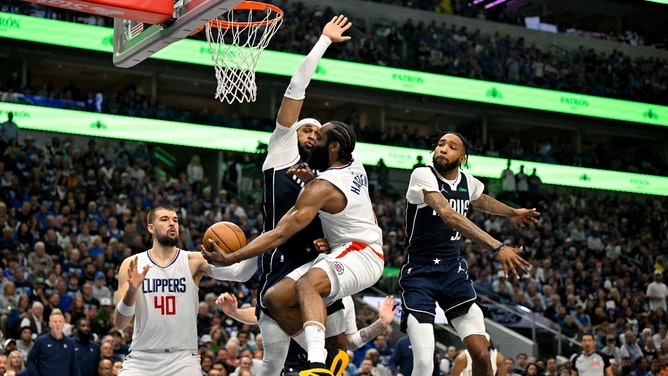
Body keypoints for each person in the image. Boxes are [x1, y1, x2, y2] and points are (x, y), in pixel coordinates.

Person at [202, 120, 384, 376]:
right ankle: (330, 358)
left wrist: (232, 257)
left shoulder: (322, 187)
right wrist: (313, 179)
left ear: (333, 147)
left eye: (318, 138)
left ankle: (318, 364)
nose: (312, 145)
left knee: (307, 285)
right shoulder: (353, 162)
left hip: (362, 253)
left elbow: (279, 234)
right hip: (345, 249)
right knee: (274, 299)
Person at [228, 14, 352, 376]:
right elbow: (296, 87)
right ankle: (319, 362)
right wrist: (324, 41)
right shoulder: (281, 150)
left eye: (318, 132)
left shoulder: (325, 175)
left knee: (340, 338)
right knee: (276, 346)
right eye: (306, 129)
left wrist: (332, 241)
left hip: (316, 254)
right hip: (280, 254)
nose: (312, 135)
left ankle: (328, 364)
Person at [399, 132, 539, 376]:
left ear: (462, 158)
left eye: (451, 147)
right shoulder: (422, 174)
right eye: (440, 144)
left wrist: (511, 213)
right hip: (420, 273)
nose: (442, 149)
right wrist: (498, 246)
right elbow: (449, 215)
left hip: (453, 273)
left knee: (483, 355)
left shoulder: (467, 180)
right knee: (423, 363)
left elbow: (481, 200)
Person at [113, 205, 257, 376]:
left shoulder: (193, 261)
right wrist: (131, 291)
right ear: (150, 228)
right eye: (164, 219)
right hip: (141, 358)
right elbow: (120, 323)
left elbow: (240, 274)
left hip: (182, 359)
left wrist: (264, 240)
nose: (172, 224)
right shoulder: (132, 264)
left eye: (175, 220)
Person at [25, 308, 81, 376]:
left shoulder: (70, 342)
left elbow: (74, 366)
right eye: (55, 321)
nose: (58, 324)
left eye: (60, 322)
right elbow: (30, 360)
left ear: (64, 324)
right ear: (50, 324)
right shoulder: (41, 341)